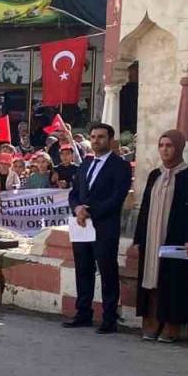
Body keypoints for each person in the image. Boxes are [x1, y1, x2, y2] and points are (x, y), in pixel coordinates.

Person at [135, 130, 188, 343]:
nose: (165, 150)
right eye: (161, 145)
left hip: (174, 237)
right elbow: (145, 206)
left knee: (172, 280)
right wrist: (139, 237)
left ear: (179, 148)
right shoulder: (154, 174)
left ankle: (171, 324)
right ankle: (152, 320)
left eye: (169, 145)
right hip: (152, 236)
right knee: (150, 277)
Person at [64, 123, 132, 334]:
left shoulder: (120, 166)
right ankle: (83, 313)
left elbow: (117, 198)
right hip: (82, 225)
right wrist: (77, 208)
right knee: (83, 269)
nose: (96, 140)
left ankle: (109, 318)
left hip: (104, 226)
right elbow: (74, 193)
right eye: (93, 137)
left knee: (107, 271)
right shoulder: (86, 163)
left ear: (110, 140)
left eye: (101, 137)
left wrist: (90, 211)